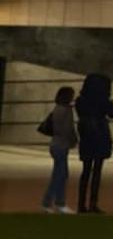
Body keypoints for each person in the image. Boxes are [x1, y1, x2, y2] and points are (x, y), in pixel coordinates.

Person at [74, 72, 113, 214]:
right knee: (97, 171)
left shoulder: (81, 100)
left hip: (87, 136)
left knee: (85, 171)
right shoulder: (103, 100)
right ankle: (93, 203)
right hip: (100, 135)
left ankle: (81, 204)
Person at [39, 85, 77, 213]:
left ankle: (58, 202)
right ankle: (49, 202)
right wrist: (73, 140)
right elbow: (66, 129)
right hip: (61, 145)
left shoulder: (58, 109)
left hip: (57, 145)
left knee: (61, 175)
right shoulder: (66, 110)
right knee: (59, 176)